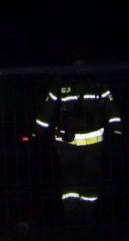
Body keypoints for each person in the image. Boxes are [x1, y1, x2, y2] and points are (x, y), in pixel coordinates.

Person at [34, 58, 122, 223]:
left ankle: (75, 216)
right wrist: (117, 133)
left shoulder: (61, 83)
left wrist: (37, 134)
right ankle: (84, 216)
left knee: (73, 181)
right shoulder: (97, 83)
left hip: (72, 145)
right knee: (84, 181)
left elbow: (45, 113)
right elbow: (112, 112)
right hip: (86, 145)